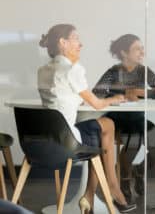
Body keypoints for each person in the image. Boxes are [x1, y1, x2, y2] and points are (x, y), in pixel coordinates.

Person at [37, 24, 136, 213]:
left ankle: (96, 193)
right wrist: (116, 98)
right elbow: (98, 104)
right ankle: (105, 191)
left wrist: (75, 100)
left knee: (104, 126)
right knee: (107, 126)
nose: (80, 44)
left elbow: (58, 97)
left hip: (44, 139)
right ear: (63, 43)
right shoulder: (73, 69)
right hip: (68, 141)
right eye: (75, 39)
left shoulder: (43, 70)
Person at [93, 34, 155, 203]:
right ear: (124, 53)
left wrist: (141, 93)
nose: (142, 52)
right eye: (137, 49)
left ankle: (140, 171)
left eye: (142, 48)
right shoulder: (113, 72)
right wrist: (121, 94)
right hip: (117, 120)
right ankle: (125, 179)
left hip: (138, 119)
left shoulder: (143, 71)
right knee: (132, 139)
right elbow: (96, 94)